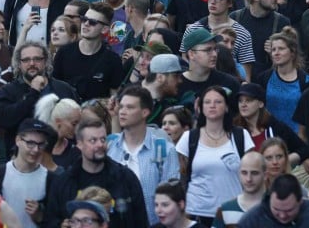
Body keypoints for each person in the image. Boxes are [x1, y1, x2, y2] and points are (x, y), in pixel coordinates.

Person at [45, 116, 149, 228]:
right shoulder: (63, 182)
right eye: (93, 140)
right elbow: (50, 221)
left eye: (103, 139)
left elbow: (141, 221)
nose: (100, 144)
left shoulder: (125, 178)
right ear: (79, 144)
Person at [176, 85, 254, 224]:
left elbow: (253, 173)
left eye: (218, 102)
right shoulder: (188, 138)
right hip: (196, 212)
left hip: (234, 211)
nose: (212, 105)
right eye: (207, 102)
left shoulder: (241, 136)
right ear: (200, 107)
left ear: (227, 107)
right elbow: (181, 177)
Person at [108, 85, 181, 224]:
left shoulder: (164, 149)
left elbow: (171, 195)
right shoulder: (110, 146)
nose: (122, 112)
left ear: (145, 112)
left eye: (129, 107)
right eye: (121, 107)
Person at [0, 118, 55, 228]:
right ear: (18, 140)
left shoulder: (50, 180)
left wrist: (40, 216)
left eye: (41, 144)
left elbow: (56, 220)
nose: (36, 149)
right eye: (30, 143)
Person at [239, 174, 309, 228]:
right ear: (269, 200)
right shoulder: (251, 221)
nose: (283, 216)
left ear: (300, 200)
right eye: (276, 209)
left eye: (289, 210)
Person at [215, 151, 268, 228]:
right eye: (244, 173)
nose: (248, 179)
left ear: (265, 175)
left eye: (254, 173)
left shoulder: (280, 209)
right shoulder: (225, 209)